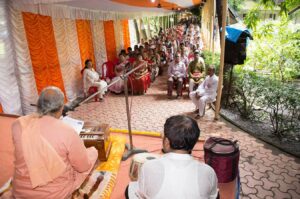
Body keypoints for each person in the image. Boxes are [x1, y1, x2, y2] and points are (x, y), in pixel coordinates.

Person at [11, 86, 98, 198]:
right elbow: (83, 167)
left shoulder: (18, 124)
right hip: (54, 194)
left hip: (20, 192)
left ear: (39, 105)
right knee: (92, 153)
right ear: (61, 108)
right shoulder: (67, 132)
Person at [126, 115, 218, 199]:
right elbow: (214, 196)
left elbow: (142, 194)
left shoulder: (148, 166)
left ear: (166, 142)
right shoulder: (208, 171)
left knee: (130, 189)